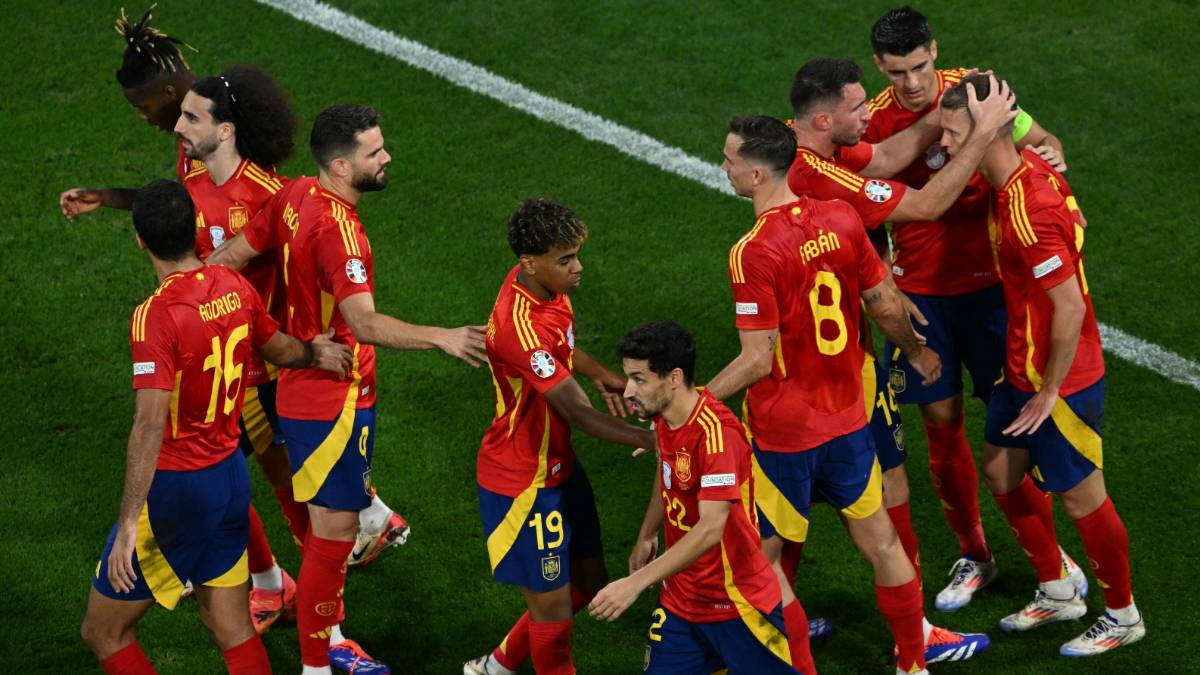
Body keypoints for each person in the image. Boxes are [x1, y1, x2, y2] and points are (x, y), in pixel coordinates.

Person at [708, 115, 991, 674]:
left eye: (730, 159)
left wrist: (695, 404)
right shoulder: (840, 217)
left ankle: (753, 655)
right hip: (847, 424)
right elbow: (884, 303)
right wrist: (915, 351)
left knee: (757, 561)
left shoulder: (752, 251)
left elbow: (758, 359)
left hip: (785, 434)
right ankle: (913, 663)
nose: (724, 167)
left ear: (758, 174)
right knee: (883, 545)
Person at [210, 104, 486, 673]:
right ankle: (318, 662)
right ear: (340, 166)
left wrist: (188, 294)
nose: (387, 158)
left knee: (331, 530)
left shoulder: (295, 194)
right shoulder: (341, 232)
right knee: (332, 538)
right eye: (374, 152)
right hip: (333, 400)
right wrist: (442, 337)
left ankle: (322, 647)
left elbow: (231, 258)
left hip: (304, 388)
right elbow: (363, 323)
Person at [80, 179, 352, 675]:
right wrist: (315, 352)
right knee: (230, 626)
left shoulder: (155, 315)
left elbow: (149, 424)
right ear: (195, 230)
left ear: (140, 240)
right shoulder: (233, 286)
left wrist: (129, 523)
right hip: (229, 481)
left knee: (104, 632)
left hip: (178, 490)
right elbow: (280, 349)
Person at [864, 7, 1074, 611]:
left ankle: (1051, 561)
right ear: (879, 66)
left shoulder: (978, 92)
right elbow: (865, 220)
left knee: (1014, 428)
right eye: (897, 71)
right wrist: (887, 288)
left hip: (993, 294)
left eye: (919, 66)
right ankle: (974, 553)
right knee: (941, 425)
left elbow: (1044, 141)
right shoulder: (875, 124)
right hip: (922, 298)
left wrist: (1051, 155)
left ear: (934, 50)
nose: (911, 82)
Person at [940, 73, 1144, 657]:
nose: (944, 144)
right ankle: (1058, 590)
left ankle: (1123, 615)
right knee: (1001, 473)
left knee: (1083, 499)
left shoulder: (1029, 205)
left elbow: (1070, 306)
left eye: (953, 133)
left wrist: (1051, 389)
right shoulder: (1020, 174)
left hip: (1061, 379)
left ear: (987, 132)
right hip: (1021, 368)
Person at [462, 198, 659, 675]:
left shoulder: (545, 288)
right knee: (552, 616)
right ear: (530, 262)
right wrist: (654, 439)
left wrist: (602, 374)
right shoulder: (519, 328)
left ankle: (494, 667)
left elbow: (561, 349)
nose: (578, 268)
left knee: (588, 583)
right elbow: (580, 415)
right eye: (566, 259)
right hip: (523, 482)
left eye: (577, 255)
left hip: (559, 464)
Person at [588, 320, 815, 675]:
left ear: (674, 378)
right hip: (681, 603)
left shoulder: (717, 436)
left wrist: (634, 584)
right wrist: (648, 532)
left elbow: (711, 528)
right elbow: (666, 471)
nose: (629, 390)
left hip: (735, 605)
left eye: (639, 379)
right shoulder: (665, 417)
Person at [175, 62, 304, 635]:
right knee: (215, 478)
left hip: (268, 372)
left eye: (190, 117)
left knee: (288, 487)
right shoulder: (190, 186)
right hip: (217, 367)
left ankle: (325, 618)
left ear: (225, 130)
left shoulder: (271, 196)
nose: (177, 126)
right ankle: (273, 581)